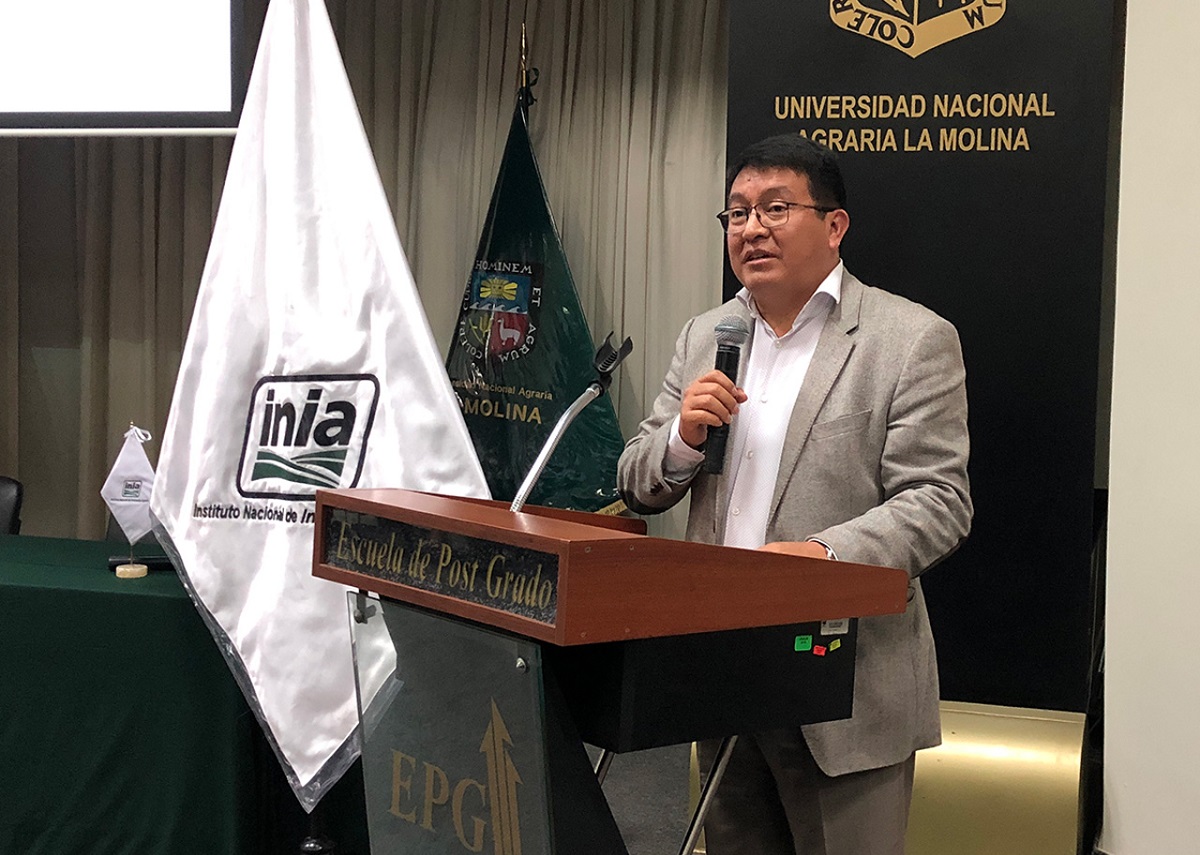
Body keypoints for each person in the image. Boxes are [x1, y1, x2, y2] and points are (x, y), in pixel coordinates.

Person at [616, 133, 972, 855]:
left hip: (841, 686)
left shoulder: (909, 339)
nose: (751, 228)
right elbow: (636, 480)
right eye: (738, 212)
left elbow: (938, 501)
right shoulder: (706, 335)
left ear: (834, 225)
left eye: (776, 208)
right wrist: (682, 438)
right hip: (724, 676)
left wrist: (822, 556)